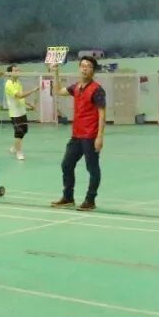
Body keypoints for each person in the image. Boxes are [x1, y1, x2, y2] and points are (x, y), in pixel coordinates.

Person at [50, 56, 105, 211]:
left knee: (92, 168)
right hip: (77, 135)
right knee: (66, 164)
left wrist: (100, 136)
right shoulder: (76, 87)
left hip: (90, 136)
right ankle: (68, 197)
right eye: (83, 66)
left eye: (88, 66)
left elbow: (102, 114)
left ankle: (90, 200)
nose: (85, 68)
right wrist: (56, 72)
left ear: (93, 71)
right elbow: (59, 91)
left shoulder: (97, 90)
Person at [4, 65, 38, 161]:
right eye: (15, 70)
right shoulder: (8, 84)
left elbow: (21, 98)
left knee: (24, 130)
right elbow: (19, 95)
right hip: (15, 113)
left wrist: (29, 105)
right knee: (19, 132)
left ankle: (14, 148)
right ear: (10, 73)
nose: (18, 72)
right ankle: (19, 152)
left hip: (22, 111)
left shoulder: (18, 83)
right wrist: (33, 90)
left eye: (18, 70)